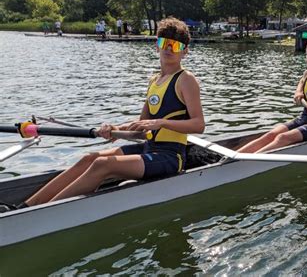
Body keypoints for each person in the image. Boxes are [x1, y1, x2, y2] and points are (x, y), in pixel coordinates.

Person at [2, 17, 205, 211]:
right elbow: (140, 129)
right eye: (165, 43)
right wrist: (115, 130)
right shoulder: (154, 81)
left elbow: (198, 125)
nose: (169, 49)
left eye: (175, 46)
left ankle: (41, 214)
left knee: (102, 164)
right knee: (88, 158)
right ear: (157, 45)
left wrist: (160, 123)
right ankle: (24, 207)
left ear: (185, 52)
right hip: (149, 148)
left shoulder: (186, 79)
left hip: (171, 157)